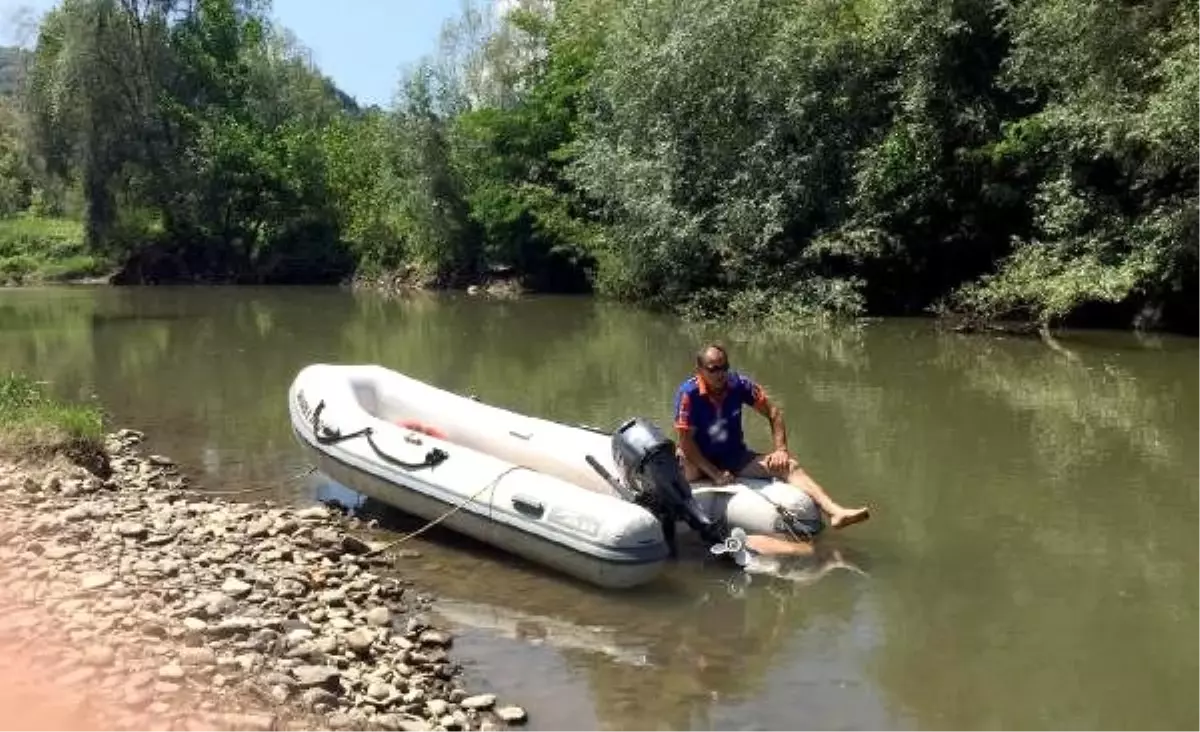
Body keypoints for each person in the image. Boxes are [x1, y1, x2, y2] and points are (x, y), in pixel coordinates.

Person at [673, 342, 870, 556]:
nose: (721, 374)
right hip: (697, 460)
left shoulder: (739, 384)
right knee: (682, 475)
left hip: (734, 457)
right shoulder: (688, 394)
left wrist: (781, 450)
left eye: (724, 367)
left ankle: (835, 511)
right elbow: (686, 441)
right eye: (713, 369)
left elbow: (773, 412)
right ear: (700, 370)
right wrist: (715, 474)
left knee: (790, 466)